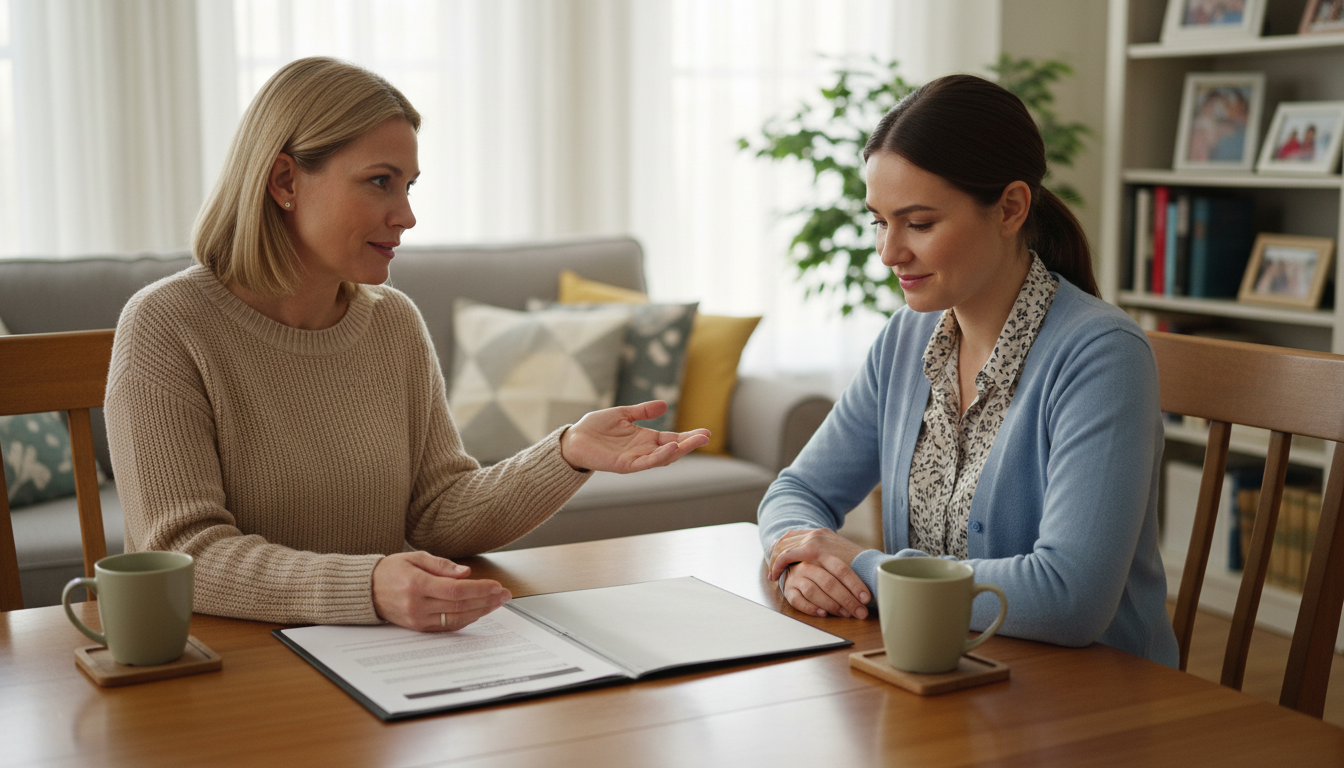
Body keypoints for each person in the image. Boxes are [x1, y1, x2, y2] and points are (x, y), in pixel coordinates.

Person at [105, 57, 709, 633]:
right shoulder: (166, 326)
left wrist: (567, 453)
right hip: (235, 667)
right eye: (380, 183)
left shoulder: (392, 323)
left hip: (380, 661)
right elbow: (184, 552)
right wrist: (368, 586)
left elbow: (437, 512)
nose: (407, 216)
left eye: (409, 186)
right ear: (285, 180)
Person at [759, 74, 1179, 667]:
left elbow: (1069, 597)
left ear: (1010, 208)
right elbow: (797, 491)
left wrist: (858, 566)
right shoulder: (906, 339)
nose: (888, 252)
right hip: (943, 681)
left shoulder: (1101, 356)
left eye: (920, 223)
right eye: (879, 220)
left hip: (1092, 702)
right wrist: (797, 554)